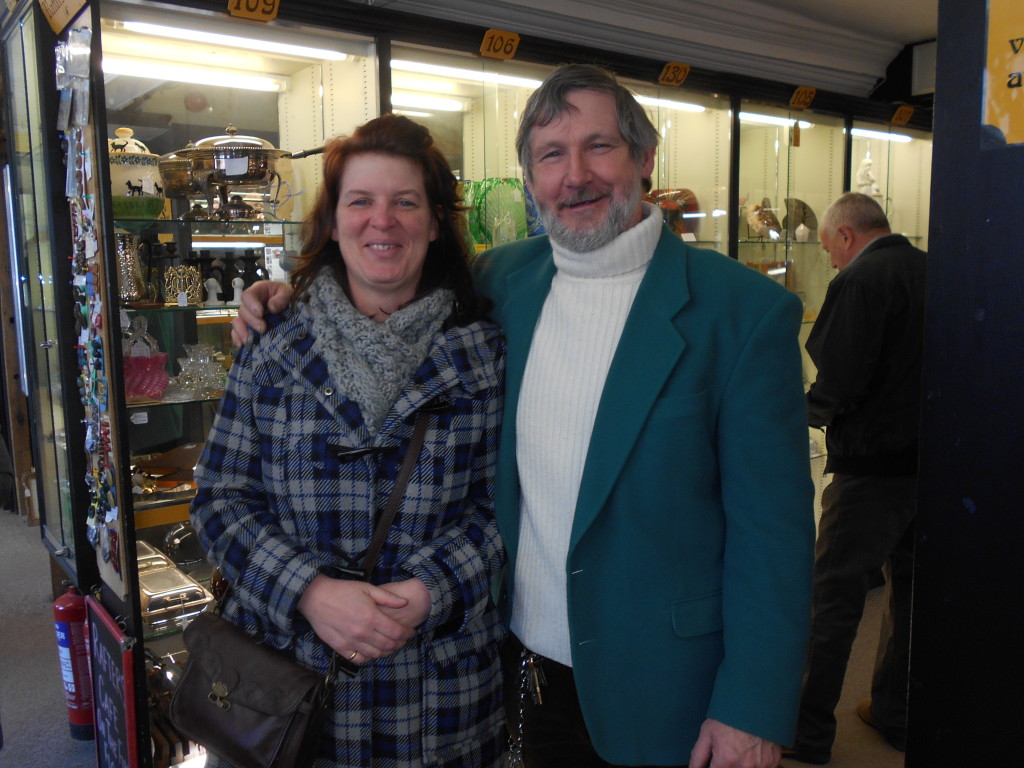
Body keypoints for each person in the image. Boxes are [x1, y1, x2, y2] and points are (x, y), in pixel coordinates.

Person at [234, 64, 814, 768]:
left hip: (665, 691)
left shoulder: (743, 314)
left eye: (598, 147)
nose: (575, 176)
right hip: (514, 677)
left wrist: (752, 706)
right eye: (551, 155)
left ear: (645, 158)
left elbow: (773, 536)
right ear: (530, 179)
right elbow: (385, 276)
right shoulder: (502, 282)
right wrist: (282, 297)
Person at [193, 114, 507, 768]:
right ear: (333, 223)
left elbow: (506, 507)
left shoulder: (486, 354)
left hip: (437, 705)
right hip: (289, 704)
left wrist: (429, 591)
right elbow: (220, 501)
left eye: (405, 202)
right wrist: (309, 591)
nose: (381, 221)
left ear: (433, 221)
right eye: (360, 201)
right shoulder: (273, 345)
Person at [785, 192, 926, 764]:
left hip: (869, 473)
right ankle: (897, 713)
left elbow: (839, 379)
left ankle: (808, 731)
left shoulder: (861, 280)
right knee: (913, 599)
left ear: (845, 235)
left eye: (829, 250)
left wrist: (795, 417)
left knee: (834, 600)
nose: (834, 262)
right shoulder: (931, 266)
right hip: (928, 465)